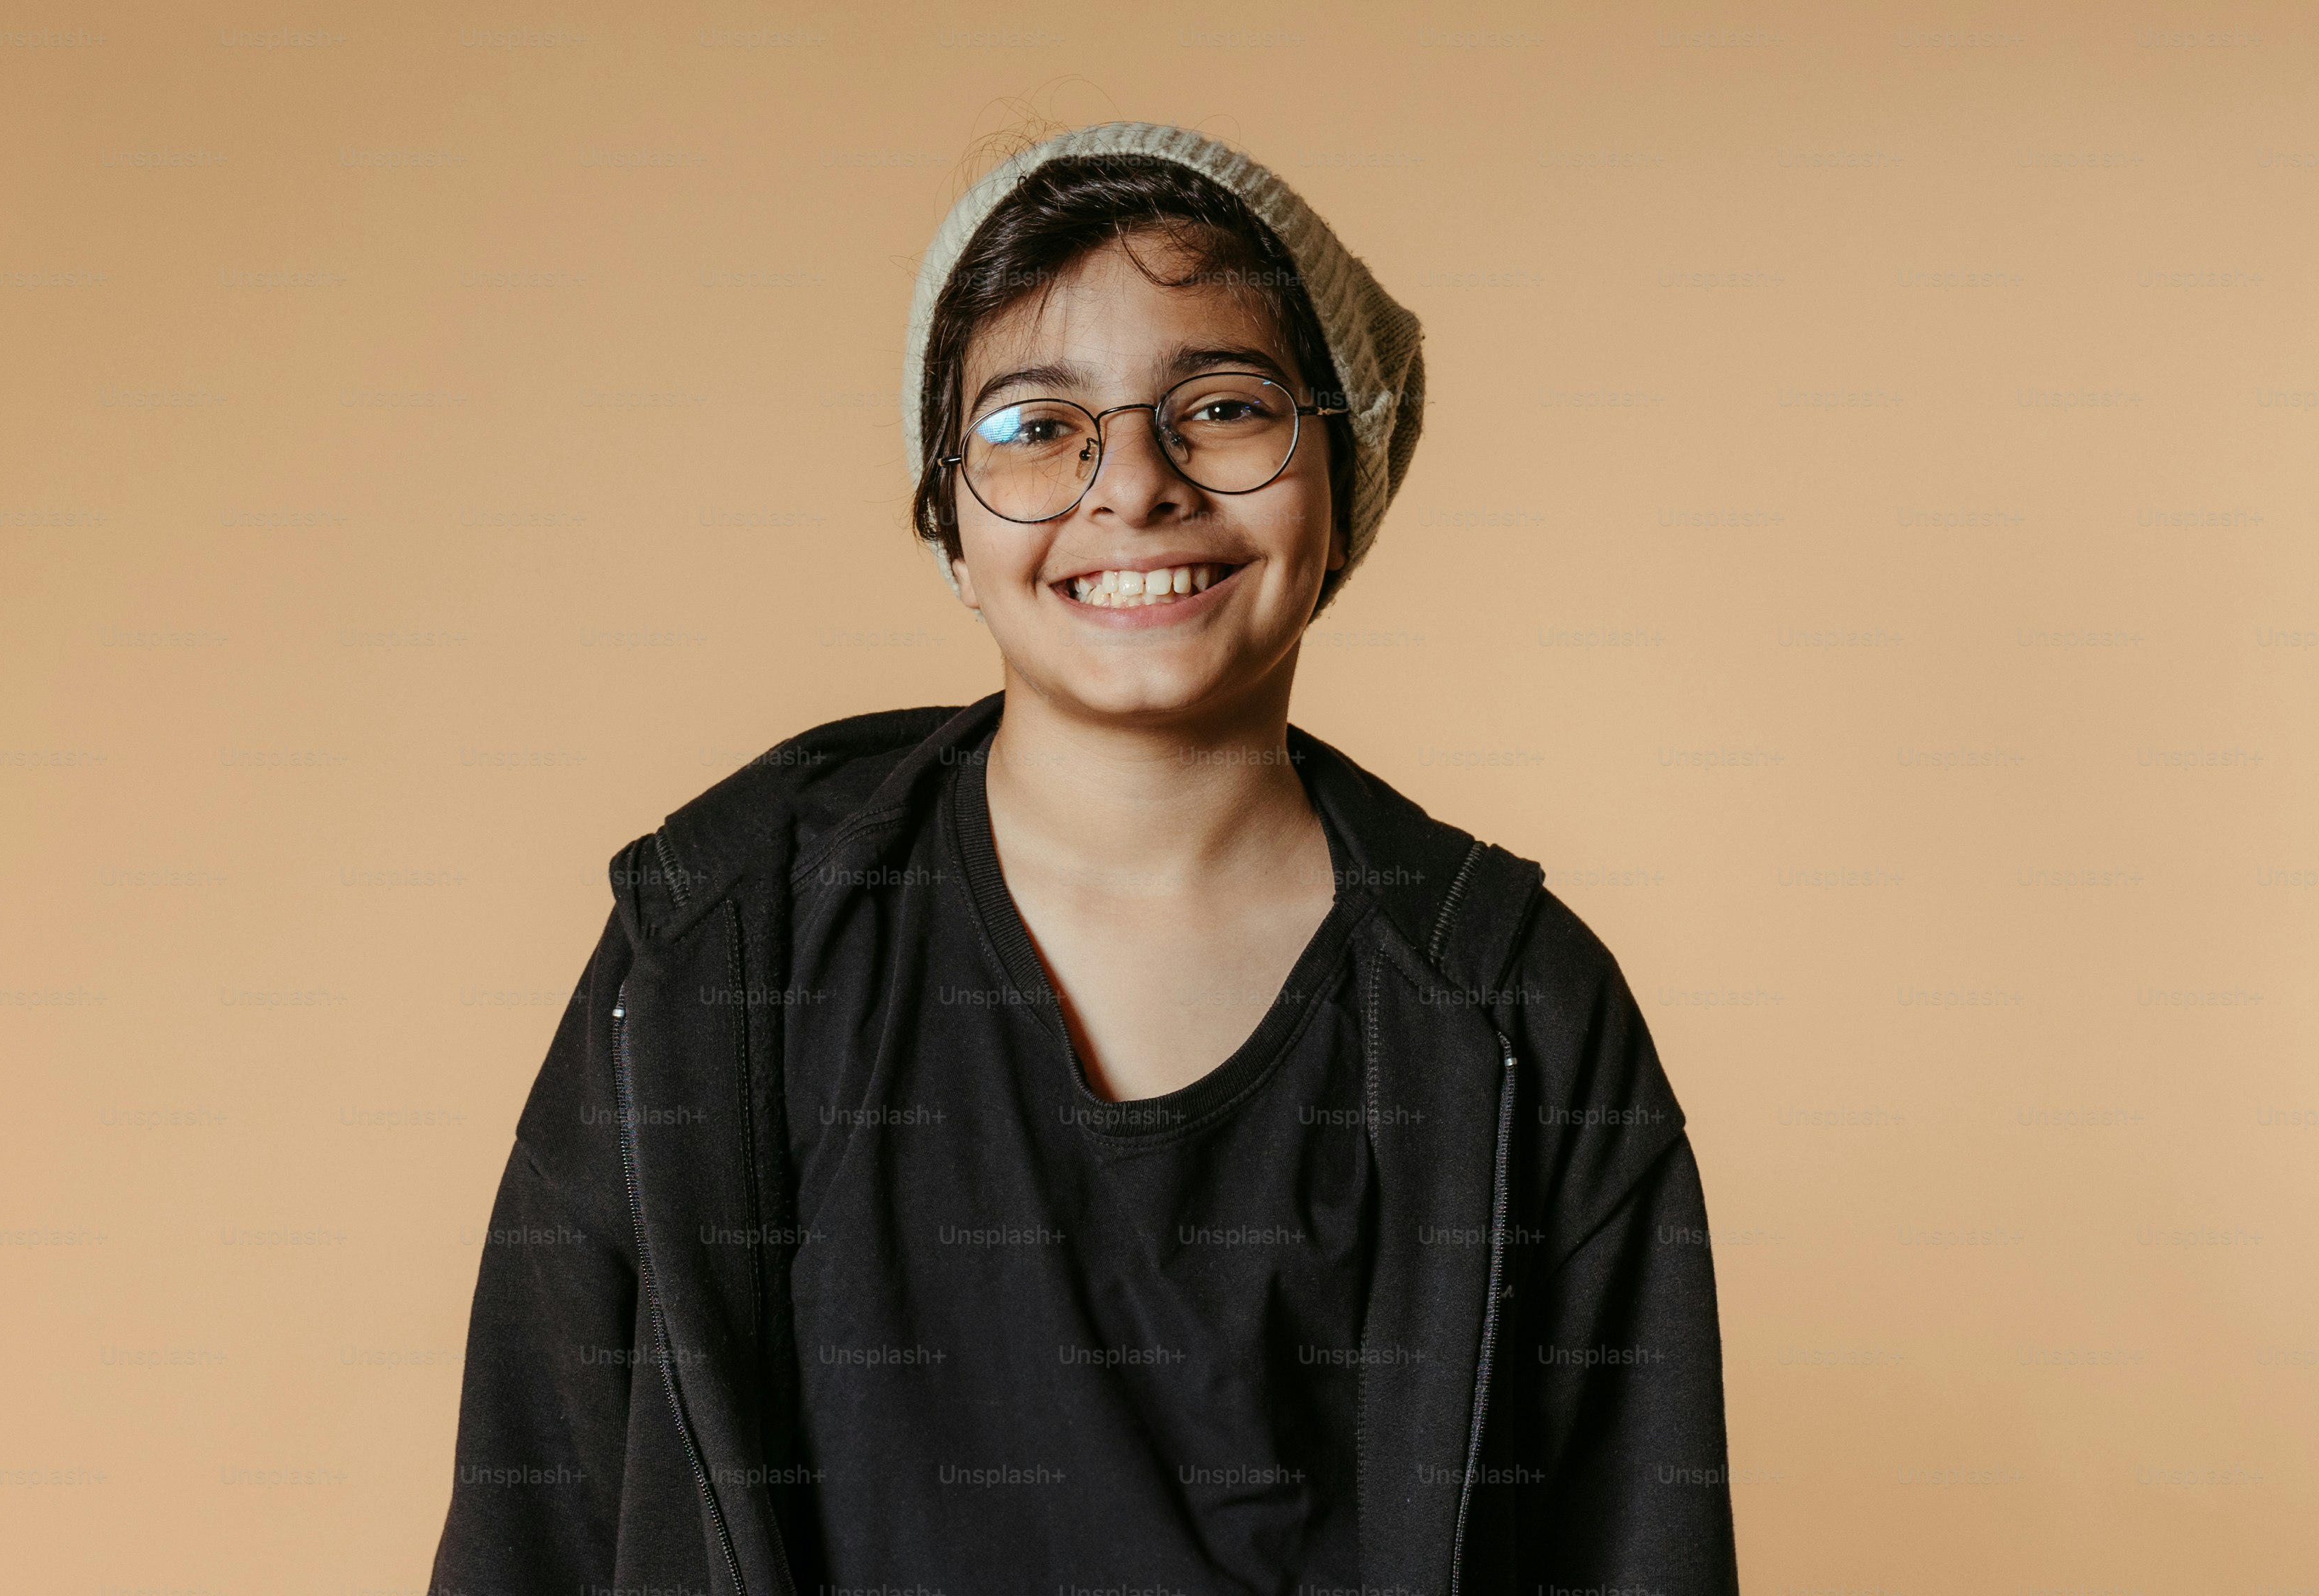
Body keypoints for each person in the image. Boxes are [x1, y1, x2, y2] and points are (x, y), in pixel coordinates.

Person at [430, 120, 1738, 1596]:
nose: (1133, 485)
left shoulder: (1516, 1015)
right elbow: (528, 1533)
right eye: (1034, 426)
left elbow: (1642, 1554)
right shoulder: (724, 951)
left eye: (1224, 406)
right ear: (945, 516)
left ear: (1345, 468)